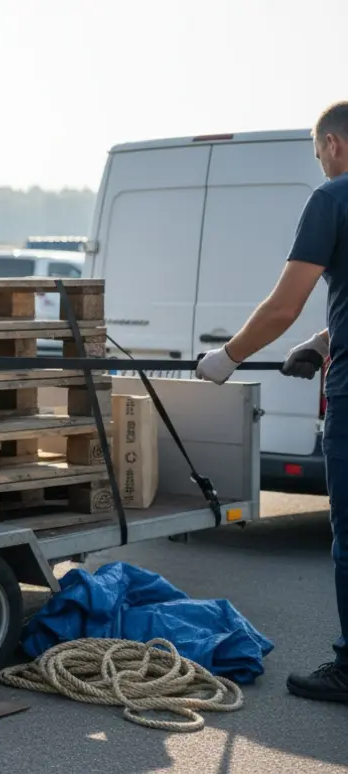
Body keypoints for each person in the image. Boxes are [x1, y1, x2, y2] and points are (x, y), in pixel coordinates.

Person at [193, 101, 348, 704]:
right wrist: (325, 338)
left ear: (333, 144)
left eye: (318, 155)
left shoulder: (332, 198)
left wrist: (227, 357)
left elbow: (283, 305)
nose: (321, 165)